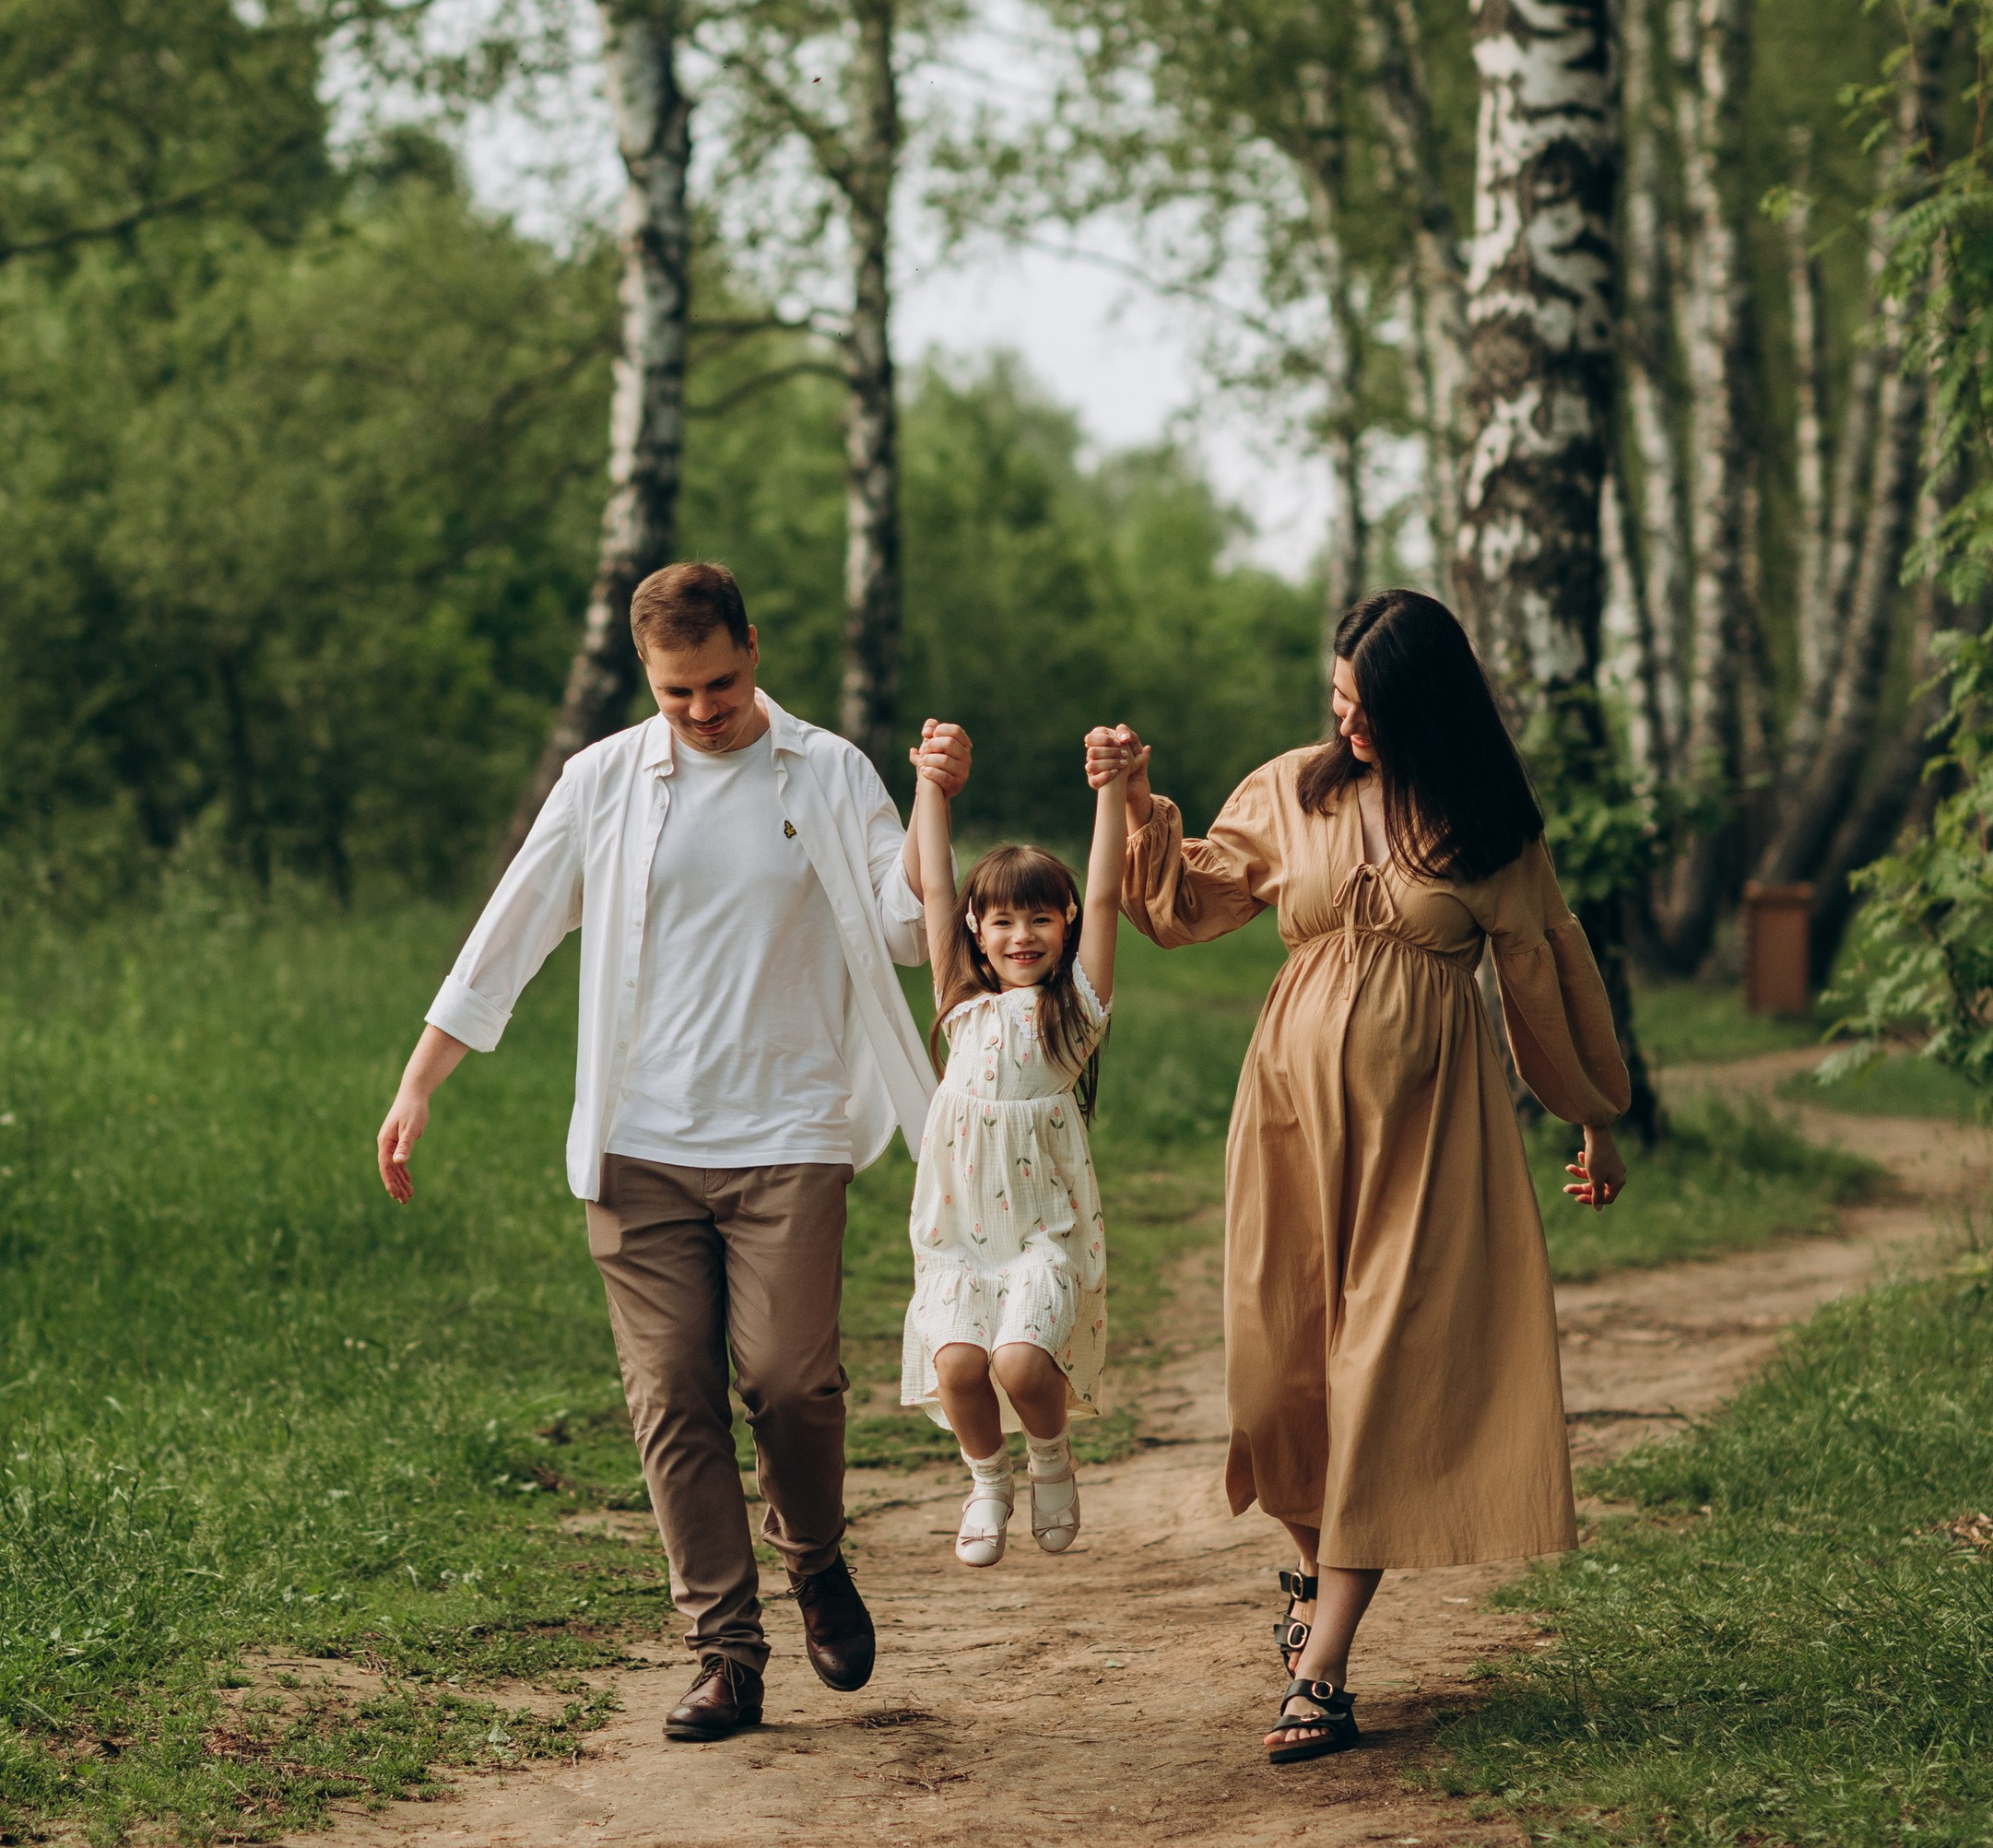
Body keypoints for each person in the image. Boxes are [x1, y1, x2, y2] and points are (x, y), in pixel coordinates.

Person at [376, 560, 970, 1745]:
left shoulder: (829, 769)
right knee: (670, 1396)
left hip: (789, 1130)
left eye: (719, 683)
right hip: (638, 1139)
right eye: (675, 691)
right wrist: (419, 1079)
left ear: (753, 648)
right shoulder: (602, 779)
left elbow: (910, 930)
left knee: (789, 1382)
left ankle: (814, 1557)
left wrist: (933, 800)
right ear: (647, 676)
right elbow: (510, 928)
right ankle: (725, 1652)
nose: (701, 709)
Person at [1087, 587, 1631, 1771]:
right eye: (1337, 701)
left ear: (1424, 707)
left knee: (1381, 1380)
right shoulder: (1294, 787)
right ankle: (1310, 1562)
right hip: (1287, 1119)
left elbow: (1545, 975)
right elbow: (1183, 904)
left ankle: (1322, 1667)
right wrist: (1133, 798)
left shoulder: (1489, 826)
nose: (1347, 723)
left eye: (1367, 707)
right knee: (1273, 1382)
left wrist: (1593, 1116)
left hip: (1427, 1137)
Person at [900, 742, 1126, 1566]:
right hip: (957, 1236)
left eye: (1040, 918)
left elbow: (1105, 891)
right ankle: (988, 1482)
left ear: (1065, 925)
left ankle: (1051, 1461)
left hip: (1042, 1234)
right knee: (959, 1365)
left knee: (1024, 1364)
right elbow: (934, 884)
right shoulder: (960, 1004)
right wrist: (930, 786)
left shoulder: (1075, 1013)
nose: (1021, 935)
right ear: (976, 929)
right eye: (1001, 920)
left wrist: (1110, 789)